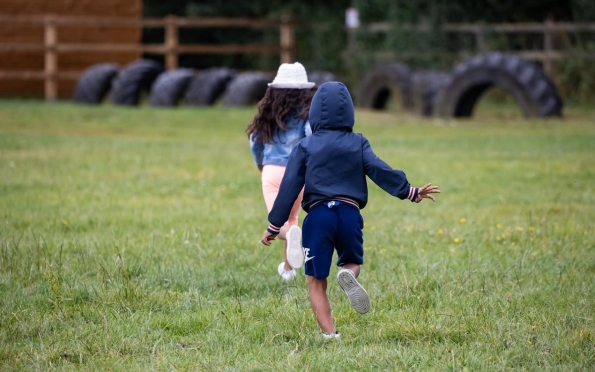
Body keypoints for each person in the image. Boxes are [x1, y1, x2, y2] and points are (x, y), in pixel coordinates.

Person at [260, 81, 440, 339]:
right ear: (349, 112)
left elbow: (289, 187)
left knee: (316, 281)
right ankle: (347, 273)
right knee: (352, 260)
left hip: (318, 217)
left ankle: (330, 335)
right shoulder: (358, 142)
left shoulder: (305, 146)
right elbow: (379, 169)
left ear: (314, 114)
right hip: (349, 213)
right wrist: (409, 191)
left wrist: (274, 225)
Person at [247, 62, 316, 281]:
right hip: (298, 174)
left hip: (272, 172)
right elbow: (311, 137)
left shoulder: (268, 112)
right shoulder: (307, 114)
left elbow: (254, 140)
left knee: (279, 224)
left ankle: (294, 251)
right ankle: (288, 270)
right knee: (292, 220)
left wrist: (260, 163)